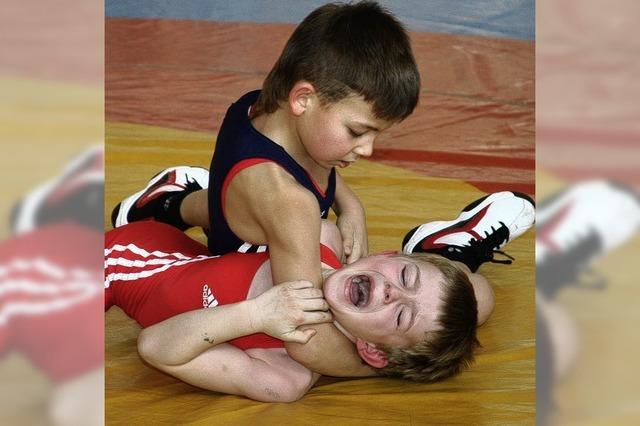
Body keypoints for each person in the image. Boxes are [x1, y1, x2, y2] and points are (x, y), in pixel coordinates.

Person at [110, 2, 421, 376]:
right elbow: (306, 337)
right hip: (239, 253)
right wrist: (383, 368)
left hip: (239, 202)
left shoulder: (264, 106)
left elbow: (309, 159)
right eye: (357, 132)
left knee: (230, 204)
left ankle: (169, 204)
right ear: (303, 99)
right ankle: (172, 205)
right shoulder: (290, 202)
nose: (368, 149)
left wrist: (351, 206)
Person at [105, 191, 535, 402]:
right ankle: (174, 200)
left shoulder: (283, 377)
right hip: (153, 247)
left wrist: (256, 315)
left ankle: (436, 255)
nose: (391, 292)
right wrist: (352, 208)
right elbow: (295, 163)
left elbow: (156, 346)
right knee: (472, 298)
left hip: (127, 266)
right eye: (403, 274)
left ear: (371, 351)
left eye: (399, 315)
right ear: (386, 255)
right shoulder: (321, 238)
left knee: (451, 312)